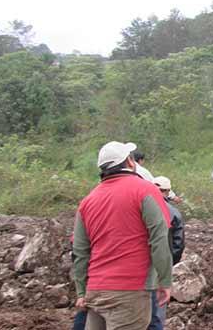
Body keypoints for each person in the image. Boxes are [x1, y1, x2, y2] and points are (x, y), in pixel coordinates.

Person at [72, 141, 173, 330]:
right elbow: (159, 239)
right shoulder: (145, 190)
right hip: (130, 291)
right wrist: (165, 280)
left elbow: (79, 251)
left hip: (95, 292)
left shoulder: (87, 202)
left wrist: (81, 291)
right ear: (130, 161)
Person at [149, 176, 186, 330]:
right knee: (158, 311)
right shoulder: (174, 213)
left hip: (139, 265)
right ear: (167, 191)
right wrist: (170, 264)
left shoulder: (141, 207)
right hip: (162, 265)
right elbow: (179, 243)